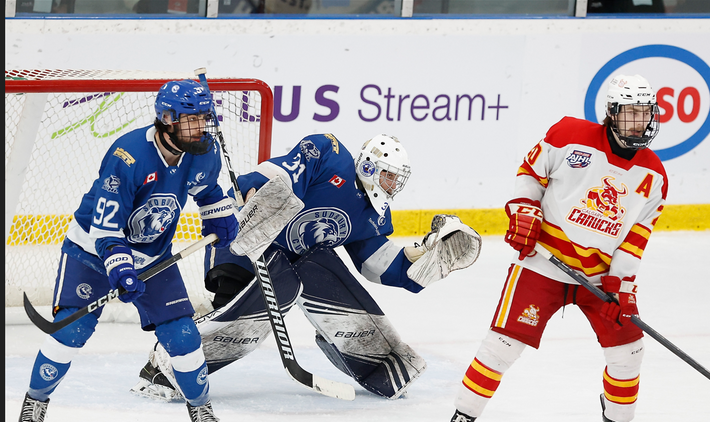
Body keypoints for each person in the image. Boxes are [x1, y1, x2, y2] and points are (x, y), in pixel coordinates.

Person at [131, 132, 482, 402]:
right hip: (244, 246)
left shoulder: (373, 214)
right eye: (389, 176)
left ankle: (379, 364)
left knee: (320, 266)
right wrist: (257, 198)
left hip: (289, 264)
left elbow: (377, 264)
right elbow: (275, 174)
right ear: (371, 166)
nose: (392, 186)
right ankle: (169, 364)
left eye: (397, 180)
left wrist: (422, 260)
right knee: (256, 302)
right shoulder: (327, 153)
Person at [433, 74, 667, 422]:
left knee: (629, 349)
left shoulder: (655, 176)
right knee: (501, 346)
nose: (638, 123)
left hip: (598, 278)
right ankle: (462, 419)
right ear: (611, 113)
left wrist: (623, 286)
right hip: (544, 263)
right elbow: (530, 172)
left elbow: (635, 238)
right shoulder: (569, 135)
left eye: (645, 114)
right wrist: (525, 210)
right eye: (629, 114)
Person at [15, 79, 240, 422]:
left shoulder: (203, 151)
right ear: (167, 120)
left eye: (205, 118)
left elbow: (208, 189)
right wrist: (119, 268)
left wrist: (218, 215)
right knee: (72, 331)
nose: (202, 127)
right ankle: (36, 400)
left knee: (183, 337)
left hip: (153, 254)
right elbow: (106, 228)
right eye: (193, 120)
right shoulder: (128, 156)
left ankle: (201, 408)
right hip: (92, 251)